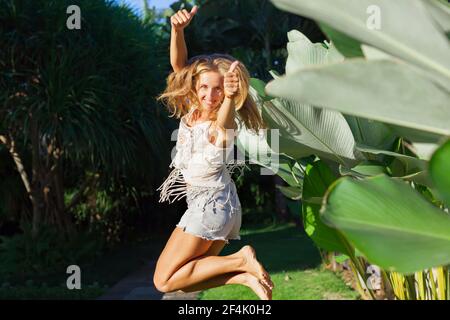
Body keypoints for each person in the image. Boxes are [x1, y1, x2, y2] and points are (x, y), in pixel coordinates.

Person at [153, 5, 274, 300]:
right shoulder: (195, 107)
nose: (210, 95)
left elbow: (223, 126)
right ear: (195, 86)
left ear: (228, 92)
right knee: (185, 279)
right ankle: (244, 276)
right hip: (219, 205)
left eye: (218, 89)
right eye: (204, 86)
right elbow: (180, 66)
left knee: (163, 281)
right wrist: (177, 31)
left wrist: (230, 100)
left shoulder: (218, 122)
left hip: (211, 207)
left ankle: (240, 260)